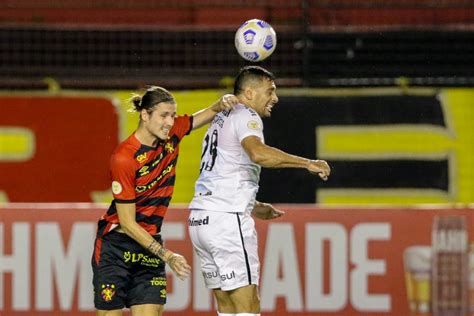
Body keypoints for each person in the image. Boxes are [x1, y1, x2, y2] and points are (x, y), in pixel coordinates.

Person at [188, 66, 331, 316]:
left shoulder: (221, 120)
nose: (275, 98)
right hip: (226, 222)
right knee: (248, 308)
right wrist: (308, 163)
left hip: (201, 219)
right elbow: (258, 153)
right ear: (250, 92)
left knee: (227, 308)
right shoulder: (246, 115)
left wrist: (253, 205)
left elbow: (221, 173)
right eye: (270, 91)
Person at [91, 86, 238, 316]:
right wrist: (167, 255)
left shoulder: (172, 133)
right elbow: (127, 223)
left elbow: (207, 113)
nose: (170, 122)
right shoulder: (124, 157)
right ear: (145, 115)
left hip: (149, 247)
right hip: (116, 247)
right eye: (163, 115)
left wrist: (224, 101)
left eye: (173, 115)